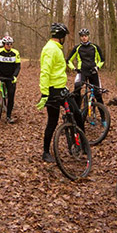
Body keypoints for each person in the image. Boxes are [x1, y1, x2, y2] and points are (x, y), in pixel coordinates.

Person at [36, 22, 83, 162]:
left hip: (61, 89)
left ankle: (81, 144)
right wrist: (45, 93)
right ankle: (45, 152)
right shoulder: (51, 49)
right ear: (61, 36)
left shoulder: (56, 48)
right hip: (52, 91)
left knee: (76, 113)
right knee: (53, 121)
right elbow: (45, 71)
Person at [66, 27, 105, 110]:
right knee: (77, 89)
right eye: (82, 36)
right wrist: (74, 69)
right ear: (80, 37)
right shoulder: (77, 48)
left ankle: (103, 117)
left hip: (93, 72)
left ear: (88, 36)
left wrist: (97, 67)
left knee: (98, 94)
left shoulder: (95, 47)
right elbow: (68, 60)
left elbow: (102, 60)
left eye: (86, 36)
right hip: (82, 72)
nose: (84, 37)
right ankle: (77, 111)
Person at [0, 35, 21, 123]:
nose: (9, 45)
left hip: (10, 76)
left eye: (10, 44)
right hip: (0, 73)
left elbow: (18, 66)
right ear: (4, 44)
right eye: (7, 44)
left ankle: (9, 116)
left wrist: (15, 76)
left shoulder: (15, 53)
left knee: (11, 95)